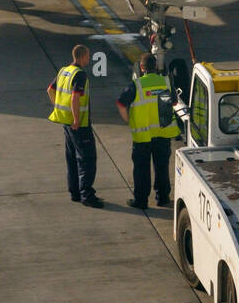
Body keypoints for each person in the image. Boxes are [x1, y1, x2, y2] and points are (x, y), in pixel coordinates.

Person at [117, 53, 179, 210]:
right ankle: (163, 197)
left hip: (143, 135)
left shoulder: (136, 85)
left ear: (142, 68)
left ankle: (141, 201)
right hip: (163, 133)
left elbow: (121, 103)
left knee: (141, 169)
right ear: (156, 66)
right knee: (162, 167)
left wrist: (129, 120)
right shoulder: (166, 82)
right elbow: (175, 101)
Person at [47, 44, 104, 207]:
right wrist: (76, 119)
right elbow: (75, 98)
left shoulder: (64, 71)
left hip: (65, 123)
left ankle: (75, 193)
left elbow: (50, 90)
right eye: (88, 56)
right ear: (82, 56)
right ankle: (87, 195)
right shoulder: (80, 75)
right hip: (79, 126)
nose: (89, 58)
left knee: (71, 158)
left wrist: (59, 108)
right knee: (87, 159)